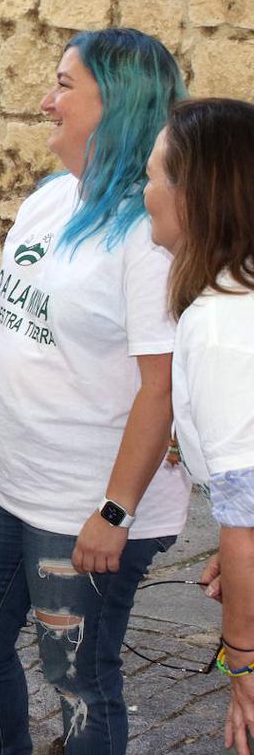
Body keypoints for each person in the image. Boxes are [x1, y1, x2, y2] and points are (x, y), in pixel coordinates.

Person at [0, 28, 191, 754]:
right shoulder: (51, 197)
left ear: (115, 105)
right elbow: (13, 323)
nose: (46, 101)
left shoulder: (149, 235)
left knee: (79, 683)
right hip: (5, 483)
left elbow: (160, 390)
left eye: (64, 86)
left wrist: (114, 512)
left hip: (85, 507)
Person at [143, 97, 254, 755]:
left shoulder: (219, 326)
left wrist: (242, 664)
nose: (146, 191)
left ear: (196, 195)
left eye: (157, 175)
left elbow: (247, 519)